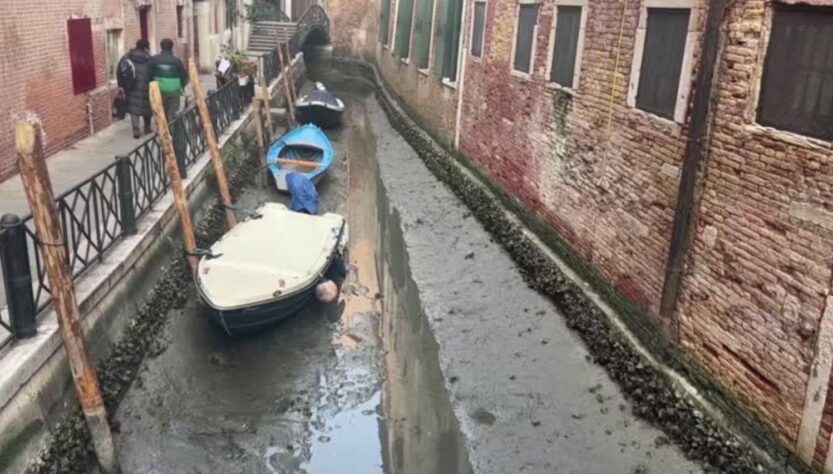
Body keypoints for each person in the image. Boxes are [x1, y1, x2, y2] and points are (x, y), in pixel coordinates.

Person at [118, 39, 153, 139]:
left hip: (132, 86)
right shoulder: (150, 59)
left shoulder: (127, 57)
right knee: (147, 107)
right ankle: (147, 127)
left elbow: (119, 70)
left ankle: (136, 129)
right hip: (147, 86)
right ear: (146, 47)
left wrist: (121, 85)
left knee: (134, 109)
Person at [149, 38, 188, 121]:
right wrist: (182, 86)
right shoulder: (177, 61)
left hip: (158, 90)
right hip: (173, 90)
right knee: (172, 113)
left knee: (160, 112)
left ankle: (162, 130)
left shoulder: (154, 59)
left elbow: (149, 74)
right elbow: (183, 75)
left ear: (161, 47)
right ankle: (171, 130)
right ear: (171, 47)